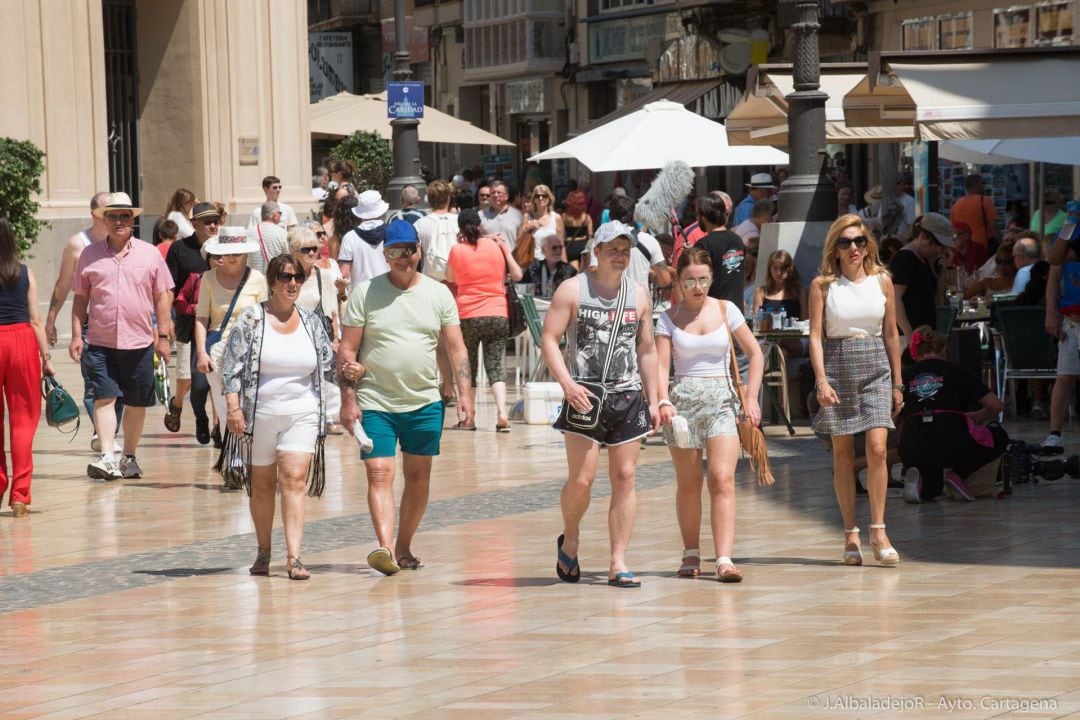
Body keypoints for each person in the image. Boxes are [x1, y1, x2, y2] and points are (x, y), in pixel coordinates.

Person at [338, 220, 475, 575]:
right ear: (385, 255)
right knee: (380, 473)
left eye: (409, 250)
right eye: (395, 252)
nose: (403, 258)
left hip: (425, 400)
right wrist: (348, 400)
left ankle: (404, 546)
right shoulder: (365, 294)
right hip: (376, 401)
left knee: (418, 477)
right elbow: (347, 351)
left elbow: (456, 347)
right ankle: (383, 548)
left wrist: (465, 394)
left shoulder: (438, 293)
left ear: (419, 250)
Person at [542, 220, 660, 588]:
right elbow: (549, 339)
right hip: (586, 393)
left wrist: (656, 398)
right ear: (597, 251)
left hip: (626, 393)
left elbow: (647, 348)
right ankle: (572, 535)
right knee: (582, 478)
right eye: (614, 250)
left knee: (625, 477)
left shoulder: (639, 294)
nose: (621, 256)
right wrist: (567, 383)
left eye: (626, 250)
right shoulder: (573, 289)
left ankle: (618, 560)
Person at [220, 253, 335, 579]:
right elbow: (231, 367)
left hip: (302, 412)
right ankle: (264, 550)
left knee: (294, 478)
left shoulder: (312, 321)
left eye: (298, 277)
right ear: (272, 281)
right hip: (260, 416)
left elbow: (330, 363)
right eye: (285, 277)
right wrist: (233, 407)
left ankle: (295, 556)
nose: (293, 283)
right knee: (262, 485)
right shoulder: (251, 320)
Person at [656, 247, 763, 582]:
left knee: (722, 478)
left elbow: (755, 353)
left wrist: (751, 395)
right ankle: (691, 552)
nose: (697, 287)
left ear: (712, 278)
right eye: (690, 281)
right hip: (683, 403)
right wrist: (661, 400)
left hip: (722, 400)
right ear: (678, 280)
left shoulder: (726, 309)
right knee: (689, 483)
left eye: (703, 279)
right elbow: (661, 365)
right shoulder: (668, 318)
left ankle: (725, 558)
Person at [809, 214, 903, 566]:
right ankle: (850, 532)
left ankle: (878, 530)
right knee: (843, 455)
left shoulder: (882, 281)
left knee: (878, 448)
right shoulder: (822, 285)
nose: (854, 248)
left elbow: (892, 333)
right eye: (846, 242)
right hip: (837, 361)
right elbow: (815, 337)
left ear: (868, 246)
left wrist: (897, 381)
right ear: (836, 247)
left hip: (875, 362)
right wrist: (821, 379)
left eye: (860, 241)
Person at [70, 192, 174, 480]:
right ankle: (106, 456)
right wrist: (77, 334)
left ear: (132, 221)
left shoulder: (150, 254)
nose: (119, 221)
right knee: (104, 397)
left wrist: (163, 336)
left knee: (136, 403)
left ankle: (128, 456)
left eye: (124, 216)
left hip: (139, 342)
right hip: (100, 343)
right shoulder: (89, 255)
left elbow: (163, 296)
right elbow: (80, 298)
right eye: (113, 216)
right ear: (104, 219)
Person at [43, 192, 124, 450]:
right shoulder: (78, 244)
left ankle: (107, 432)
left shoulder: (125, 240)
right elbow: (63, 285)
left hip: (123, 325)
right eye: (106, 210)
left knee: (120, 385)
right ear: (94, 214)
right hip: (91, 325)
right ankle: (104, 435)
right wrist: (51, 320)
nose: (113, 214)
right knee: (94, 385)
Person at [897, 326, 1007, 503]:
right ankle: (958, 475)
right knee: (999, 436)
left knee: (931, 491)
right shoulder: (957, 371)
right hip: (949, 437)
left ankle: (916, 473)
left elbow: (894, 413)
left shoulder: (903, 375)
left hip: (911, 442)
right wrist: (978, 415)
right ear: (943, 350)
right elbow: (996, 405)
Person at [445, 209, 523, 432]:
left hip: (468, 315)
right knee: (495, 366)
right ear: (480, 225)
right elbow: (516, 275)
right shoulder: (497, 245)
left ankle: (469, 419)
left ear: (460, 228)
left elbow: (450, 277)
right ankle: (502, 412)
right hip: (498, 313)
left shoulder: (456, 250)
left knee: (467, 367)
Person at [194, 228, 269, 449]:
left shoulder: (257, 278)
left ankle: (246, 456)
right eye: (228, 252)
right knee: (225, 404)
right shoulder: (208, 278)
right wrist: (201, 353)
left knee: (247, 404)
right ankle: (234, 459)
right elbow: (201, 318)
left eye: (238, 251)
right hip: (218, 352)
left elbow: (264, 317)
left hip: (250, 351)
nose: (233, 256)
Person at [0, 218, 54, 517]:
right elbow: (35, 320)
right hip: (22, 340)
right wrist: (46, 360)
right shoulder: (25, 273)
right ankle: (20, 496)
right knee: (23, 420)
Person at [164, 202, 218, 443]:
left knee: (218, 379)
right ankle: (191, 412)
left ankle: (219, 428)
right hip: (189, 323)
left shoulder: (224, 248)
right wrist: (166, 322)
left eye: (216, 220)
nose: (213, 225)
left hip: (218, 323)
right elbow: (169, 287)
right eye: (207, 221)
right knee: (191, 379)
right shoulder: (179, 249)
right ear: (193, 224)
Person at [290, 225, 344, 434]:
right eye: (306, 249)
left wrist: (336, 338)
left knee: (326, 378)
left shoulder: (323, 276)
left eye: (314, 248)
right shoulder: (287, 275)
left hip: (320, 336)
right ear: (294, 251)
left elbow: (332, 310)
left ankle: (329, 418)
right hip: (294, 335)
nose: (312, 253)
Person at [890, 212, 953, 355]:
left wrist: (943, 270)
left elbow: (937, 298)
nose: (940, 250)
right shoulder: (905, 258)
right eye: (938, 245)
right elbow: (894, 298)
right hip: (909, 336)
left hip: (925, 335)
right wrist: (908, 333)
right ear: (923, 237)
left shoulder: (925, 259)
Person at [606, 195, 671, 293]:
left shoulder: (599, 242)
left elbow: (592, 274)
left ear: (610, 216)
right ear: (633, 215)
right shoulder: (649, 241)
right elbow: (665, 279)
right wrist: (652, 276)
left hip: (608, 305)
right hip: (640, 304)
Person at [753, 249, 807, 358]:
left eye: (782, 268)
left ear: (789, 269)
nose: (778, 273)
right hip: (768, 339)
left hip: (796, 339)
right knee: (782, 353)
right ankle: (781, 375)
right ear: (770, 269)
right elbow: (757, 321)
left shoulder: (799, 292)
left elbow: (805, 321)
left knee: (775, 343)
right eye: (775, 268)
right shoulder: (761, 292)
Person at [694, 194, 744, 306]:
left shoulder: (703, 245)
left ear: (704, 216)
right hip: (736, 310)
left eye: (697, 214)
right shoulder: (737, 240)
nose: (696, 219)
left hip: (714, 312)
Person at [338, 190, 390, 289]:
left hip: (360, 295)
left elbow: (344, 273)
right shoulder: (392, 232)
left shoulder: (350, 237)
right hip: (389, 291)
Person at [515, 184, 563, 266]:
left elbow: (561, 245)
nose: (541, 198)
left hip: (552, 263)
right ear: (534, 199)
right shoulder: (528, 217)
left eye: (544, 195)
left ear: (549, 198)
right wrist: (529, 227)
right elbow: (518, 241)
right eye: (537, 196)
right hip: (532, 263)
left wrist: (564, 265)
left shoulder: (556, 218)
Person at [522, 229, 577, 299]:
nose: (558, 250)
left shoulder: (570, 270)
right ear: (544, 249)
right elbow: (523, 291)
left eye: (560, 247)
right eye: (554, 248)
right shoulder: (533, 269)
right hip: (537, 305)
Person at [950, 174, 999, 250]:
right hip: (982, 246)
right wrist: (1001, 243)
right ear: (976, 184)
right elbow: (993, 226)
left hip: (963, 248)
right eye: (982, 183)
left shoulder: (956, 206)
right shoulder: (985, 201)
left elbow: (954, 229)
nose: (984, 186)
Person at [245, 202, 289, 275]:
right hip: (274, 279)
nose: (280, 216)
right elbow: (288, 258)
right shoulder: (283, 234)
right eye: (280, 213)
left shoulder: (247, 233)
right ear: (275, 215)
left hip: (253, 278)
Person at [480, 181, 523, 248]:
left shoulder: (517, 215)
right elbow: (475, 238)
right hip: (489, 257)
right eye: (493, 193)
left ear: (507, 196)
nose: (496, 195)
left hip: (511, 257)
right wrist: (487, 238)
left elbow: (521, 239)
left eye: (499, 193)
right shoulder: (480, 215)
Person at [561, 190, 593, 269]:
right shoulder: (586, 217)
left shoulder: (564, 217)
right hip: (584, 247)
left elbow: (560, 236)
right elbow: (590, 235)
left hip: (570, 247)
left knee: (572, 273)